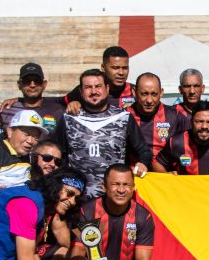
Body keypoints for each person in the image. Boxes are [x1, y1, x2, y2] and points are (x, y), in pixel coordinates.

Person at [50, 70, 151, 199]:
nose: (93, 91)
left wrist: (143, 163)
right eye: (88, 87)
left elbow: (144, 151)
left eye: (98, 86)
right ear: (81, 92)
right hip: (77, 198)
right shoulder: (69, 118)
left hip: (113, 197)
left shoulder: (123, 117)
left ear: (107, 89)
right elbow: (57, 154)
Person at [0, 110, 46, 198]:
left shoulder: (29, 155)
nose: (30, 141)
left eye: (36, 138)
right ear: (10, 132)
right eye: (26, 134)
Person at [153, 100, 209, 175]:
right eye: (199, 121)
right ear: (191, 122)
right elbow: (157, 163)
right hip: (186, 193)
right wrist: (166, 177)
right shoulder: (177, 142)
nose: (204, 126)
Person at [127, 73, 188, 160]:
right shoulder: (124, 116)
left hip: (163, 173)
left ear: (161, 93)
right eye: (144, 94)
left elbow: (190, 146)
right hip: (134, 172)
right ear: (134, 92)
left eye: (154, 94)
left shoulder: (175, 117)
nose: (149, 100)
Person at [0, 62, 66, 137]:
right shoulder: (6, 111)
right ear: (19, 84)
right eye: (27, 81)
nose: (32, 85)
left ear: (44, 84)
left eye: (37, 81)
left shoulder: (58, 110)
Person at [64, 47, 135, 112]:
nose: (121, 73)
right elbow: (57, 103)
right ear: (103, 67)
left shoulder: (136, 92)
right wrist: (73, 104)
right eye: (115, 68)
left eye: (125, 68)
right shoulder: (87, 90)